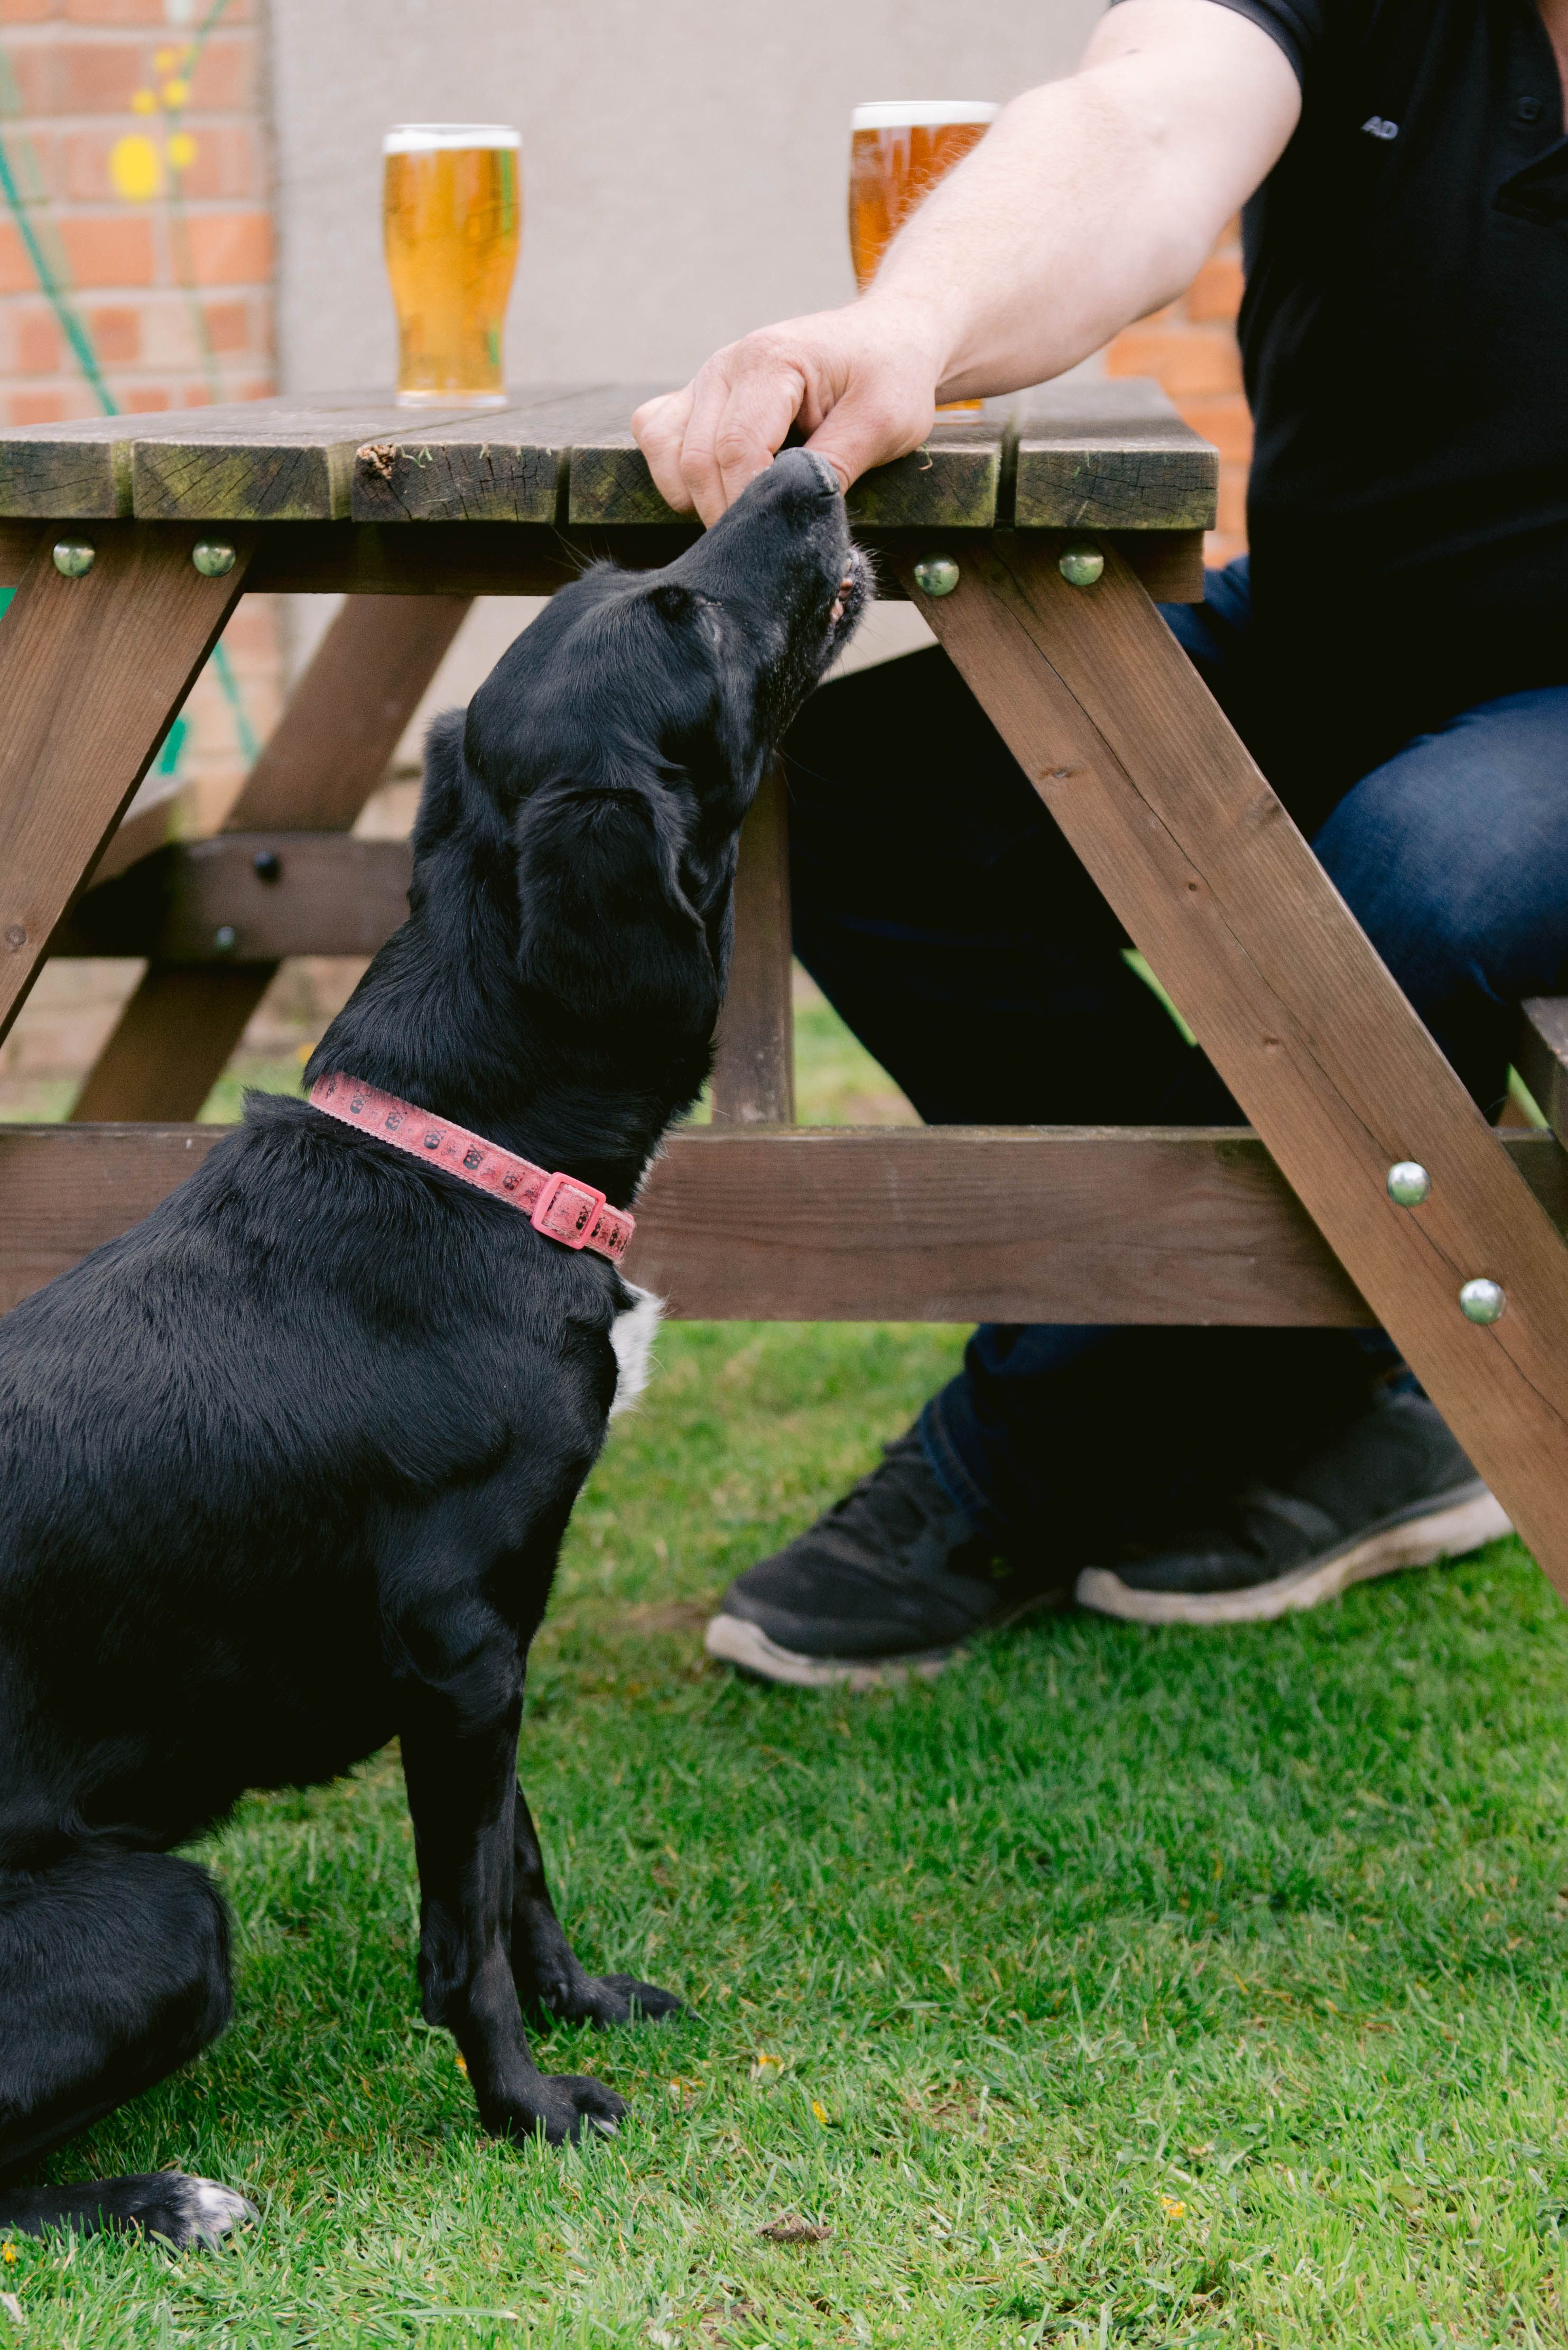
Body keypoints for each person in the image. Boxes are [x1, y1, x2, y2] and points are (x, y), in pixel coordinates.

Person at [633, 0, 1568, 1686]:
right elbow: (1143, 124)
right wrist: (908, 321)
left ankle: (1034, 1445)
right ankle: (1318, 1376)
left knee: (1405, 876)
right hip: (1329, 636)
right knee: (852, 784)